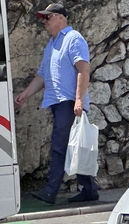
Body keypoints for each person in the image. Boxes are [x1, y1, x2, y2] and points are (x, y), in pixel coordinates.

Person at [14, 3, 98, 204]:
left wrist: (78, 100)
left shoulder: (73, 39)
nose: (44, 22)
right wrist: (25, 94)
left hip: (68, 102)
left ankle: (51, 191)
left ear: (60, 17)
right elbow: (42, 76)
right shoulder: (51, 45)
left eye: (47, 17)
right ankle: (89, 189)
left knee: (60, 146)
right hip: (58, 102)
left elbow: (83, 70)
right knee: (74, 146)